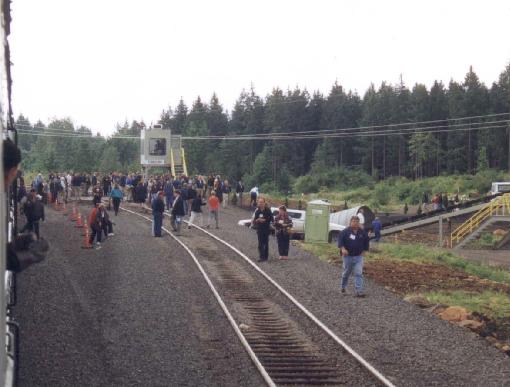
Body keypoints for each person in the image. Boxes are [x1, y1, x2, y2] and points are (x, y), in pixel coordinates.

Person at [338, 215, 369, 297]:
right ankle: (343, 287)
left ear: (359, 223)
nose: (355, 223)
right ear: (350, 222)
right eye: (354, 221)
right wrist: (343, 249)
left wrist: (364, 251)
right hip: (348, 256)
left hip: (358, 256)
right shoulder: (345, 232)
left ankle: (359, 291)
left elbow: (366, 241)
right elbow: (340, 241)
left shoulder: (362, 232)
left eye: (357, 222)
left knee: (359, 273)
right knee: (346, 273)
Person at [252, 197, 273, 262]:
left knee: (265, 243)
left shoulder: (268, 210)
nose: (260, 203)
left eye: (262, 202)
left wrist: (265, 220)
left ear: (264, 203)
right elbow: (254, 220)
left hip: (266, 229)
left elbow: (272, 219)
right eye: (259, 202)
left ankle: (265, 257)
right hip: (260, 229)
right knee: (260, 243)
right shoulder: (257, 211)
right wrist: (257, 220)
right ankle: (261, 257)